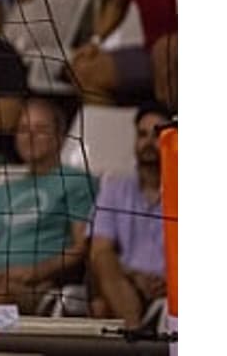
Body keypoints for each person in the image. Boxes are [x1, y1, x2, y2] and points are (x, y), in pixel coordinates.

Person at [0, 98, 96, 313]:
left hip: (41, 286)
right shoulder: (2, 189)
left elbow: (82, 247)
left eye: (41, 129)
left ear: (60, 137)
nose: (30, 137)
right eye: (23, 130)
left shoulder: (76, 182)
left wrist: (35, 272)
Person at [89, 102, 171, 329]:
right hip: (127, 283)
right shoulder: (115, 187)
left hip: (175, 286)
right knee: (102, 261)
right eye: (142, 134)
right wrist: (135, 276)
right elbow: (100, 248)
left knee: (103, 307)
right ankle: (135, 334)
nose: (148, 143)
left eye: (157, 134)